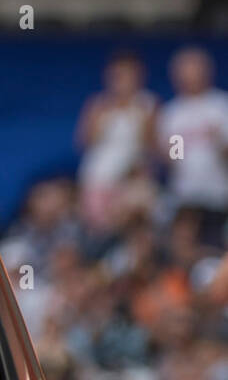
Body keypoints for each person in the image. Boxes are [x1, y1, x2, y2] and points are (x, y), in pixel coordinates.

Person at [75, 50, 159, 235]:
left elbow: (152, 148)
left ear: (139, 76)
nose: (122, 81)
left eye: (128, 75)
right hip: (98, 179)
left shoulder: (148, 104)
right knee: (98, 232)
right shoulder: (97, 104)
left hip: (130, 181)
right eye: (117, 75)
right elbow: (83, 142)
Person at [157, 46, 228, 248]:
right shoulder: (173, 113)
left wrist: (220, 143)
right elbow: (175, 158)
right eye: (184, 71)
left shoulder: (222, 106)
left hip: (219, 195)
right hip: (186, 197)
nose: (189, 77)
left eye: (194, 70)